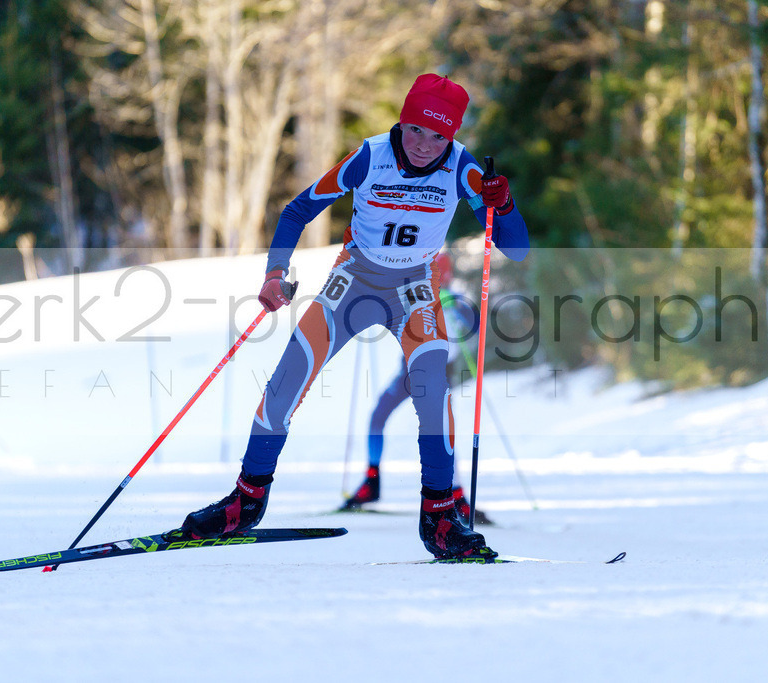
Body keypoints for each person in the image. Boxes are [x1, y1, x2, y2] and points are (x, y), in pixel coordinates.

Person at [177, 74, 529, 559]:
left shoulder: (462, 167)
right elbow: (296, 211)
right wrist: (275, 272)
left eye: (437, 136)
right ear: (402, 122)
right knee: (286, 382)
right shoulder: (370, 155)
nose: (424, 145)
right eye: (416, 130)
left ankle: (441, 519)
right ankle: (245, 501)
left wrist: (502, 203)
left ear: (451, 137)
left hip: (414, 288)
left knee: (432, 392)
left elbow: (517, 248)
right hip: (354, 282)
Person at [341, 251, 493, 525]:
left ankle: (457, 496)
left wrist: (459, 310)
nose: (440, 278)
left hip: (437, 374)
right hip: (409, 371)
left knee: (441, 430)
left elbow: (476, 326)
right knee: (380, 417)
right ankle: (372, 482)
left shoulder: (452, 299)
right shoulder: (414, 292)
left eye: (442, 273)